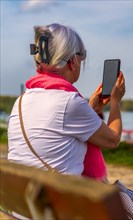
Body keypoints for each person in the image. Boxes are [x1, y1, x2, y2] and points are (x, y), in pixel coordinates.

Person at [7, 23, 125, 181]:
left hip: (23, 199)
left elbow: (60, 125)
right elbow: (113, 139)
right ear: (72, 60)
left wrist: (91, 109)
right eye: (82, 56)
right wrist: (116, 101)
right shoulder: (69, 102)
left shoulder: (21, 100)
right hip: (58, 202)